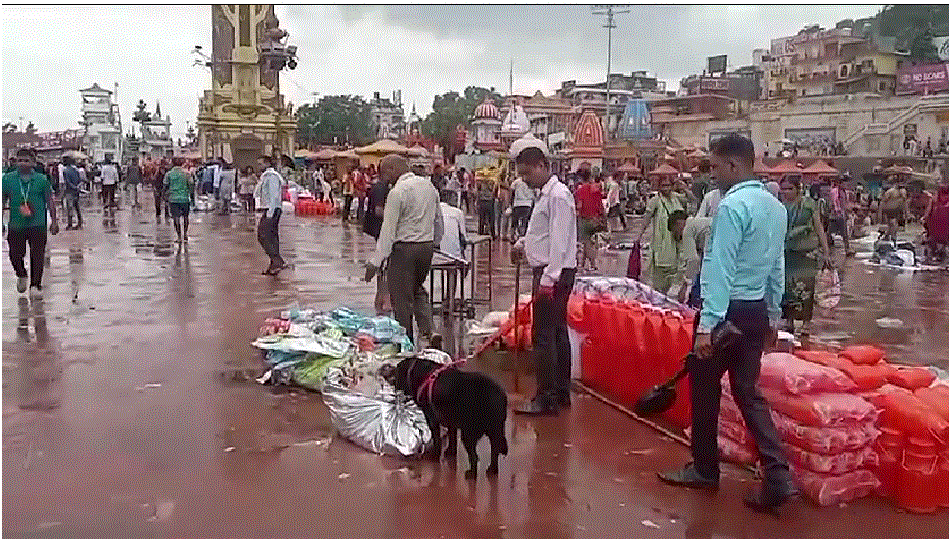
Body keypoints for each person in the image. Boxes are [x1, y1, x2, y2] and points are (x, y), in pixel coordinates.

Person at [659, 134, 793, 516]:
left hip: (725, 312)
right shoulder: (774, 207)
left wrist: (707, 326)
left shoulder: (732, 208)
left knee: (704, 388)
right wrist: (772, 314)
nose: (713, 175)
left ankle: (704, 468)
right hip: (754, 313)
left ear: (734, 165)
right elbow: (776, 266)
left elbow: (719, 268)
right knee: (748, 392)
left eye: (715, 167)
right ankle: (777, 471)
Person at [509, 138, 577, 416]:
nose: (525, 180)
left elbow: (560, 241)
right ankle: (560, 391)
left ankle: (547, 396)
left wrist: (549, 279)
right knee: (557, 332)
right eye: (521, 175)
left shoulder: (558, 196)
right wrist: (524, 243)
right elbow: (545, 234)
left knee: (545, 336)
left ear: (542, 165)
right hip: (552, 269)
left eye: (528, 173)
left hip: (554, 272)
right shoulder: (545, 195)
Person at [364, 154, 443, 346]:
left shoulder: (397, 192)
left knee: (401, 299)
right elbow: (438, 220)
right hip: (426, 247)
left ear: (393, 169)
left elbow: (388, 231)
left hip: (404, 250)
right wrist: (434, 243)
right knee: (416, 290)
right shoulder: (429, 187)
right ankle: (429, 331)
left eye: (385, 173)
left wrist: (375, 263)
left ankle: (405, 343)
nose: (385, 179)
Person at [3, 149, 59, 296]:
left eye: (26, 160)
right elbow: (2, 200)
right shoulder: (8, 179)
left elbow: (50, 201)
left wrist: (54, 221)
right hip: (16, 224)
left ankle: (35, 285)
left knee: (37, 255)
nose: (22, 163)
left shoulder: (42, 180)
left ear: (33, 162)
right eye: (20, 160)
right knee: (15, 254)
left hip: (37, 224)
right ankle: (21, 274)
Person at [779, 176, 831, 337]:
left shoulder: (809, 205)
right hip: (788, 251)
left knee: (806, 287)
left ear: (798, 189)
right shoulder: (781, 206)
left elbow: (819, 227)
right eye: (784, 189)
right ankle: (789, 321)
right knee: (788, 287)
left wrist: (826, 251)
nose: (786, 192)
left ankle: (806, 323)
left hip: (807, 253)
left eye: (790, 189)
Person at [636, 175, 694, 294]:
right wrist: (639, 236)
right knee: (659, 283)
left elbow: (693, 200)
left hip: (677, 244)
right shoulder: (655, 201)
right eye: (663, 186)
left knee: (677, 277)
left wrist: (684, 187)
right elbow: (646, 219)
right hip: (661, 244)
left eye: (668, 185)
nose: (666, 188)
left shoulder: (677, 198)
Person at [667, 210, 712, 306]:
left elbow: (693, 260)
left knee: (699, 288)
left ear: (678, 224)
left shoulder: (687, 229)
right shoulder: (698, 223)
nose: (677, 236)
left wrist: (684, 287)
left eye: (675, 232)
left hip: (714, 250)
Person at [434, 189, 468, 315]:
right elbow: (463, 237)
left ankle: (444, 298)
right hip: (452, 257)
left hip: (433, 256)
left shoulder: (431, 211)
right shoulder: (457, 212)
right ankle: (451, 299)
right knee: (455, 267)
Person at [363, 169, 392, 315]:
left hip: (378, 229)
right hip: (381, 229)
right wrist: (395, 213)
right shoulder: (381, 188)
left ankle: (380, 296)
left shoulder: (378, 187)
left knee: (383, 263)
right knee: (385, 264)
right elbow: (379, 211)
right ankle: (384, 298)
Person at [256, 155, 287, 275]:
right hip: (270, 209)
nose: (259, 167)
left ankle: (277, 260)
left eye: (260, 164)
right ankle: (274, 264)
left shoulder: (272, 177)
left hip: (272, 209)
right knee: (272, 237)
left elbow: (274, 196)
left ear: (267, 164)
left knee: (263, 235)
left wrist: (270, 213)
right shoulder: (266, 177)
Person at [574, 168, 604, 272]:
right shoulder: (595, 188)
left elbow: (580, 205)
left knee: (585, 242)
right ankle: (589, 264)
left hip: (585, 219)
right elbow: (600, 205)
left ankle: (587, 264)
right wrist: (602, 217)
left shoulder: (580, 190)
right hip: (595, 219)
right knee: (591, 242)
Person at [163, 157, 195, 243]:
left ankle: (179, 236)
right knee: (185, 217)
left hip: (173, 198)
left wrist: (164, 196)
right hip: (185, 198)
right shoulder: (186, 174)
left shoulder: (169, 174)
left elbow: (165, 185)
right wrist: (191, 196)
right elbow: (191, 184)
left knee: (176, 217)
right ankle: (185, 234)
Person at [828, 176, 854, 256]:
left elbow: (845, 203)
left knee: (844, 233)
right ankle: (827, 249)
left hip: (842, 215)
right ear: (840, 183)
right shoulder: (835, 191)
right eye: (844, 182)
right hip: (835, 215)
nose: (846, 184)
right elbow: (833, 202)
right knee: (830, 232)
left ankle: (847, 248)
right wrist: (837, 210)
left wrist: (847, 212)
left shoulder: (845, 192)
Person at [62, 155, 83, 230]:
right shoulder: (76, 169)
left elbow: (67, 181)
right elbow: (80, 180)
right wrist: (77, 187)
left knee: (70, 207)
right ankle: (80, 222)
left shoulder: (65, 170)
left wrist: (73, 187)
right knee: (77, 207)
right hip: (76, 191)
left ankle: (70, 224)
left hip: (69, 191)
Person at [510, 173, 534, 239]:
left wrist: (510, 203)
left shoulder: (516, 182)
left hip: (517, 203)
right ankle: (523, 236)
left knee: (515, 221)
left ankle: (513, 236)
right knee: (525, 222)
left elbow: (511, 191)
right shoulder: (531, 182)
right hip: (527, 204)